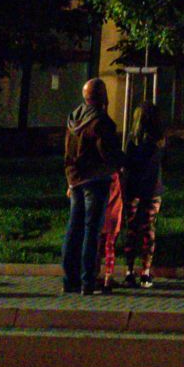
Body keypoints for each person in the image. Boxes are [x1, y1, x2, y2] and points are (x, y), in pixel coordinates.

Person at [59, 78, 120, 296]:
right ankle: (87, 281)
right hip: (95, 179)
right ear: (102, 96)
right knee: (91, 230)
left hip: (75, 179)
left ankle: (69, 280)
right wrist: (119, 165)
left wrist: (70, 179)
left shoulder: (73, 118)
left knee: (73, 228)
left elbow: (68, 152)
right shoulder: (101, 121)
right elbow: (108, 152)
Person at [116, 103, 166, 289]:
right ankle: (145, 272)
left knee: (132, 229)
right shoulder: (159, 142)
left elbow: (128, 164)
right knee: (148, 229)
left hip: (134, 189)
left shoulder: (132, 141)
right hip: (152, 190)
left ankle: (129, 271)